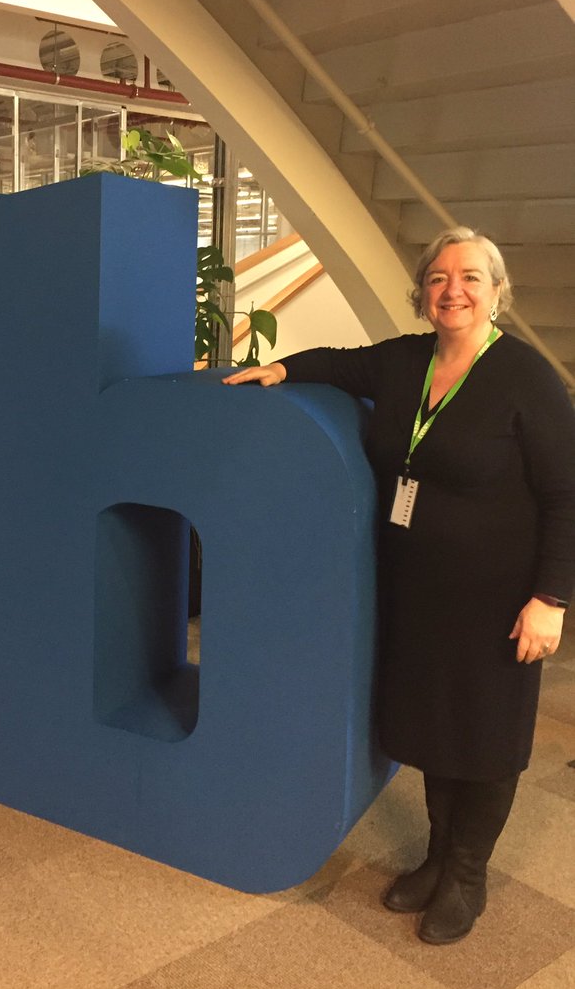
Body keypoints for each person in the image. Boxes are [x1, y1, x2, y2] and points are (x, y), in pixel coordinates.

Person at [223, 227, 575, 944]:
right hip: (417, 592)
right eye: (439, 278)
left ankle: (467, 875)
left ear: (497, 293)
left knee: (486, 733)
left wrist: (552, 599)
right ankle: (437, 855)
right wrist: (281, 368)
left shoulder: (526, 377)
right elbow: (339, 363)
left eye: (471, 277)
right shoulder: (405, 361)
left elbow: (567, 495)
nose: (454, 290)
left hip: (499, 600)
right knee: (436, 724)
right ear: (422, 293)